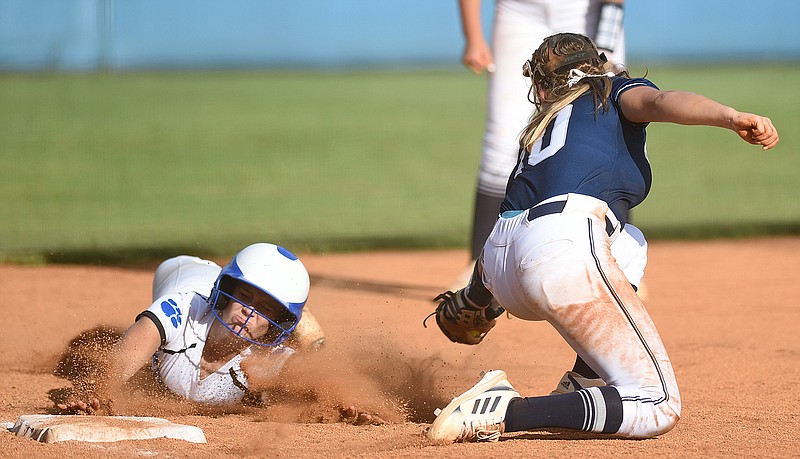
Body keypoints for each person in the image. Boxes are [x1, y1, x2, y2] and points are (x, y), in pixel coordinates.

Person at [426, 33, 778, 442]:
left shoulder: (540, 128)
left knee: (628, 243)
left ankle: (507, 324)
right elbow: (661, 102)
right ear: (597, 66)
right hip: (561, 247)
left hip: (501, 261)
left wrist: (480, 295)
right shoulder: (608, 91)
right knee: (658, 404)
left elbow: (512, 223)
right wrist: (729, 116)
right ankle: (505, 410)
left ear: (541, 87)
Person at [57, 242, 325, 413]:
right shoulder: (182, 310)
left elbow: (319, 383)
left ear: (278, 322)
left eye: (265, 308)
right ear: (226, 293)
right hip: (186, 274)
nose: (249, 311)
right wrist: (98, 389)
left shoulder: (268, 360)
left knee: (309, 352)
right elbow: (135, 346)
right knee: (169, 307)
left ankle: (304, 329)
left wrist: (343, 403)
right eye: (245, 296)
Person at [457, 0, 626, 271]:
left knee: (605, 127)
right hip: (519, 12)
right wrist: (473, 35)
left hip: (587, 15)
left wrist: (605, 42)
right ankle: (480, 267)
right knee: (502, 140)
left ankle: (617, 262)